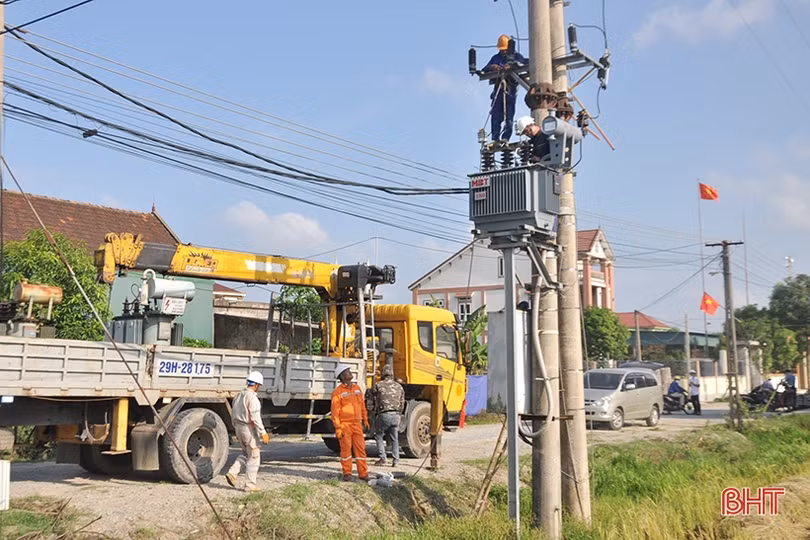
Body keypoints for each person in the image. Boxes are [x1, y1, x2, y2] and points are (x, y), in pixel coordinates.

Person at [225, 371, 270, 492]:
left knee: (246, 454)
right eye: (259, 386)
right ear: (256, 385)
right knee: (254, 456)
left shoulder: (238, 396)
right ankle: (250, 485)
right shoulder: (252, 398)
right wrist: (263, 432)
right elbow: (255, 417)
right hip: (248, 428)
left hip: (238, 427)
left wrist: (236, 427)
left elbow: (233, 413)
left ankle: (232, 472)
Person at [484, 34, 528, 144]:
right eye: (501, 49)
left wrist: (512, 65)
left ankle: (505, 137)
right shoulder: (496, 58)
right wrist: (492, 67)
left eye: (505, 49)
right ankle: (495, 138)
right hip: (498, 88)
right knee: (496, 114)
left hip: (510, 89)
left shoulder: (516, 56)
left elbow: (524, 63)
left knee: (509, 115)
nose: (503, 51)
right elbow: (485, 69)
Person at [331, 364, 370, 481]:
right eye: (347, 371)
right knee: (346, 449)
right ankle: (347, 473)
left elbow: (362, 406)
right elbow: (335, 411)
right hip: (345, 425)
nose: (350, 372)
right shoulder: (337, 392)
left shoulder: (357, 388)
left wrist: (365, 419)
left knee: (361, 449)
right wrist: (338, 427)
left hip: (357, 424)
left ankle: (363, 474)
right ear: (342, 376)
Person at [370, 363, 405, 467]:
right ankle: (396, 461)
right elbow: (402, 403)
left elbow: (371, 397)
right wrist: (399, 413)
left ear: (383, 373)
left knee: (379, 435)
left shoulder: (378, 385)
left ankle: (383, 458)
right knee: (395, 438)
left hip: (384, 415)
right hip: (396, 415)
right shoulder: (399, 386)